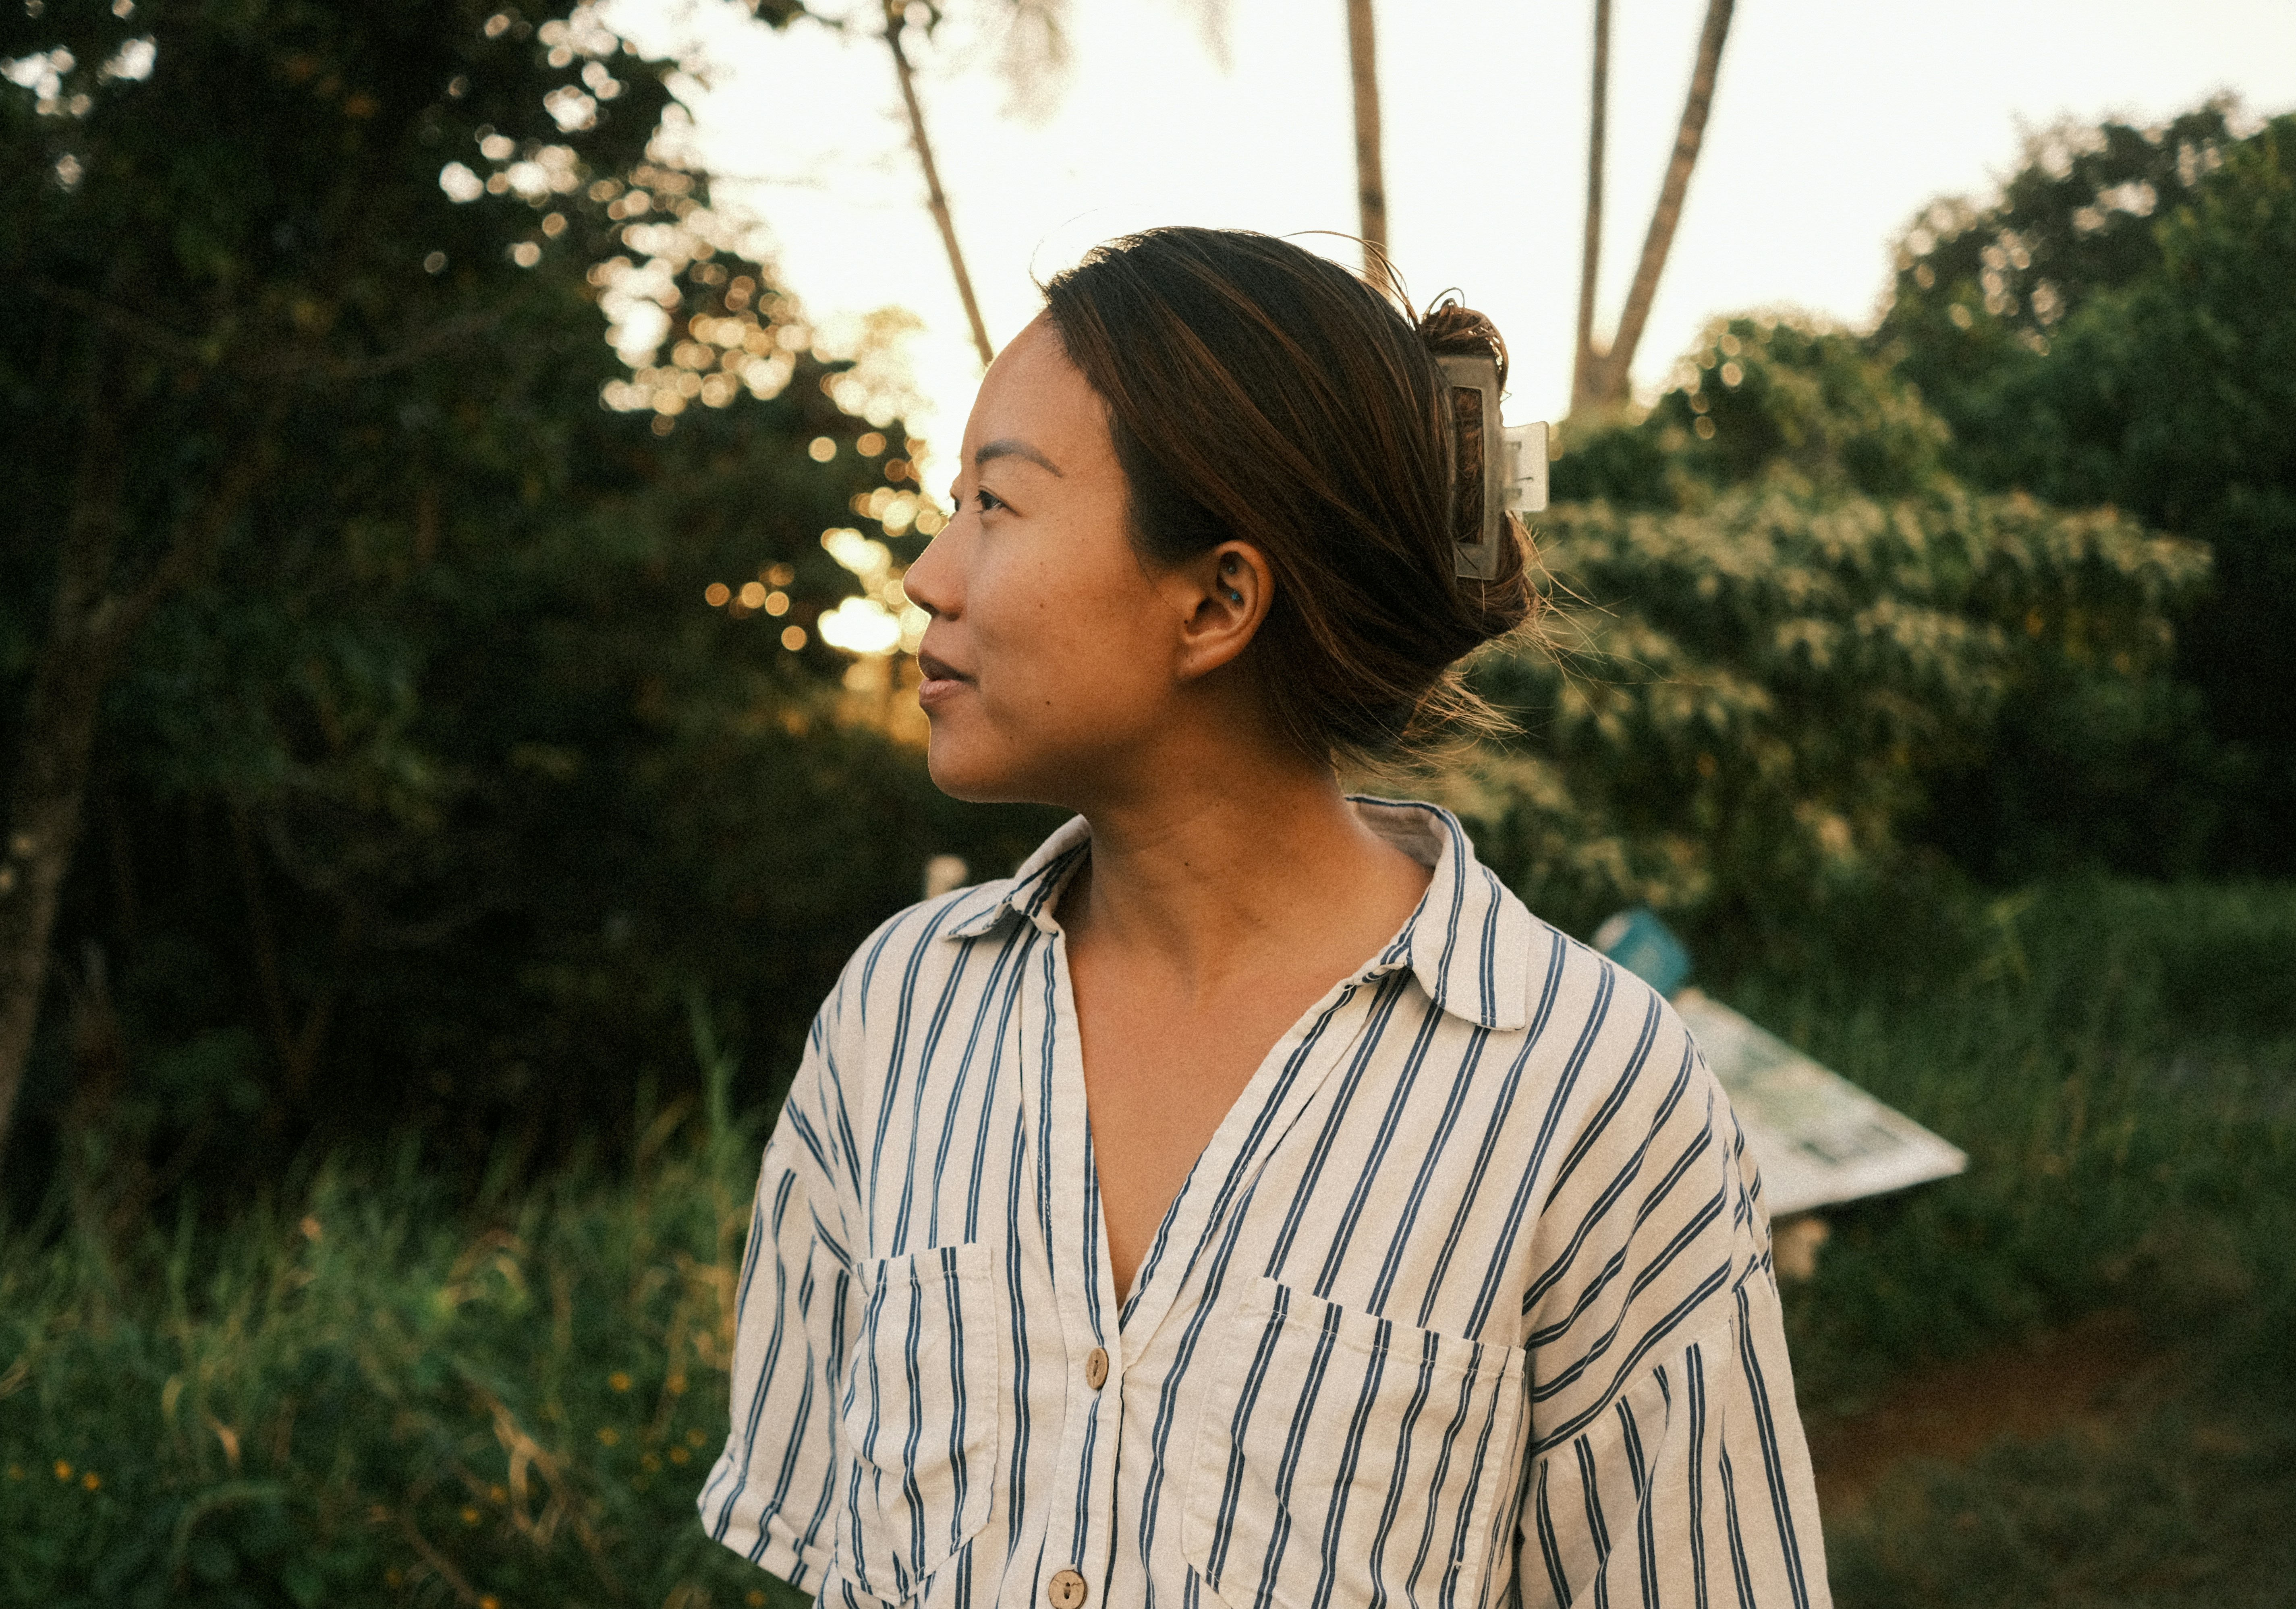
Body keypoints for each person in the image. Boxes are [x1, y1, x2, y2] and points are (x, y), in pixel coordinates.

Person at [699, 228, 1828, 1609]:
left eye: (994, 505)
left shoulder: (1586, 1085)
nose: (930, 574)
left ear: (1218, 599)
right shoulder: (897, 1013)